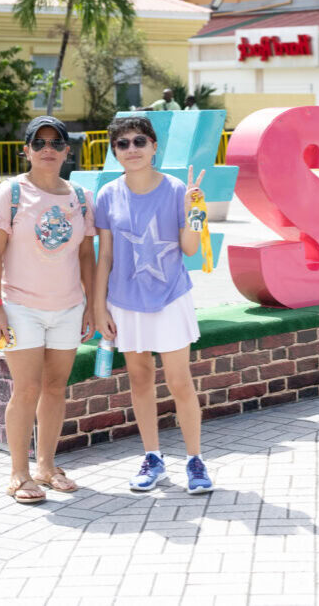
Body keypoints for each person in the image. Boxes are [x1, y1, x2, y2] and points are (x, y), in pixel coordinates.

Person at [93, 115, 214, 495]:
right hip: (125, 302)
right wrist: (99, 308)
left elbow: (191, 248)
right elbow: (106, 257)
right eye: (123, 144)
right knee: (140, 379)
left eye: (139, 141)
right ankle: (153, 458)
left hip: (170, 299)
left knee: (180, 382)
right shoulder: (107, 194)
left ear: (154, 146)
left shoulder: (177, 189)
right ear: (114, 151)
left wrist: (196, 207)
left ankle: (195, 460)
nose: (132, 149)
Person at [0, 115, 97, 503]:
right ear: (26, 150)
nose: (48, 149)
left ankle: (47, 466)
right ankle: (18, 474)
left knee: (54, 388)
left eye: (55, 143)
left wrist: (90, 305)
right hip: (20, 307)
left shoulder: (79, 196)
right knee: (26, 388)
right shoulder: (11, 192)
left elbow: (86, 256)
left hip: (67, 307)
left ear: (67, 150)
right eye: (39, 142)